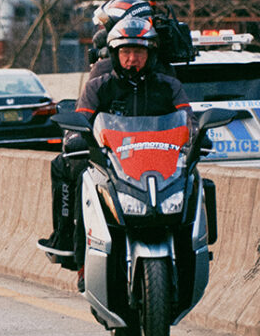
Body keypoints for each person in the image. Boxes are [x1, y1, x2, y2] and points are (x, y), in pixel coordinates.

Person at [38, 17, 192, 279]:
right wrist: (75, 136)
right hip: (112, 162)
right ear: (114, 54)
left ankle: (191, 252)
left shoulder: (169, 86)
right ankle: (74, 248)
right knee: (73, 170)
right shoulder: (99, 85)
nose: (132, 59)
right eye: (126, 52)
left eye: (139, 52)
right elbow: (81, 121)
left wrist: (199, 136)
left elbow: (189, 121)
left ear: (151, 54)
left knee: (198, 181)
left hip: (158, 162)